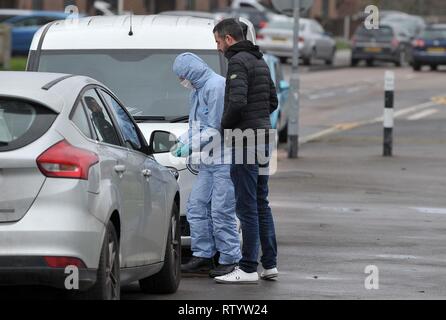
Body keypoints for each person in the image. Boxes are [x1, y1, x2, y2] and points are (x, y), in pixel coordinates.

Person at [212, 19, 279, 284]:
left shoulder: (238, 61)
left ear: (229, 39)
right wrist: (257, 119)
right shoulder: (259, 60)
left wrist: (224, 126)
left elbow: (237, 103)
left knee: (246, 204)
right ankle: (270, 264)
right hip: (263, 137)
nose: (218, 48)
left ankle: (249, 267)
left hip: (244, 140)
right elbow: (272, 101)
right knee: (261, 201)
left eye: (218, 41)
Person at [172, 52, 242, 278]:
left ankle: (230, 258)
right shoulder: (198, 90)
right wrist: (181, 142)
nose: (181, 81)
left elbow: (216, 128)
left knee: (221, 211)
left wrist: (190, 147)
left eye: (182, 76)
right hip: (209, 160)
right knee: (196, 206)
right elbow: (196, 126)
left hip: (225, 158)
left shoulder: (216, 87)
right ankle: (203, 254)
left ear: (191, 72)